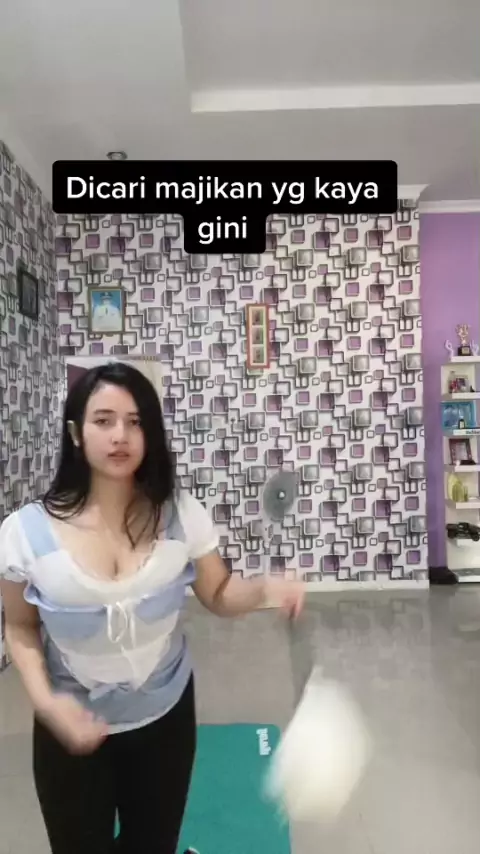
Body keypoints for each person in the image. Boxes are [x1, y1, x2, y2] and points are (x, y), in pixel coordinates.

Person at [0, 363, 304, 854]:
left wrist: (266, 590)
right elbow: (19, 627)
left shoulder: (180, 514)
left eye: (136, 422)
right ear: (76, 433)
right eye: (104, 420)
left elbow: (218, 593)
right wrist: (48, 703)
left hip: (164, 719)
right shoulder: (24, 533)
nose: (120, 435)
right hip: (70, 728)